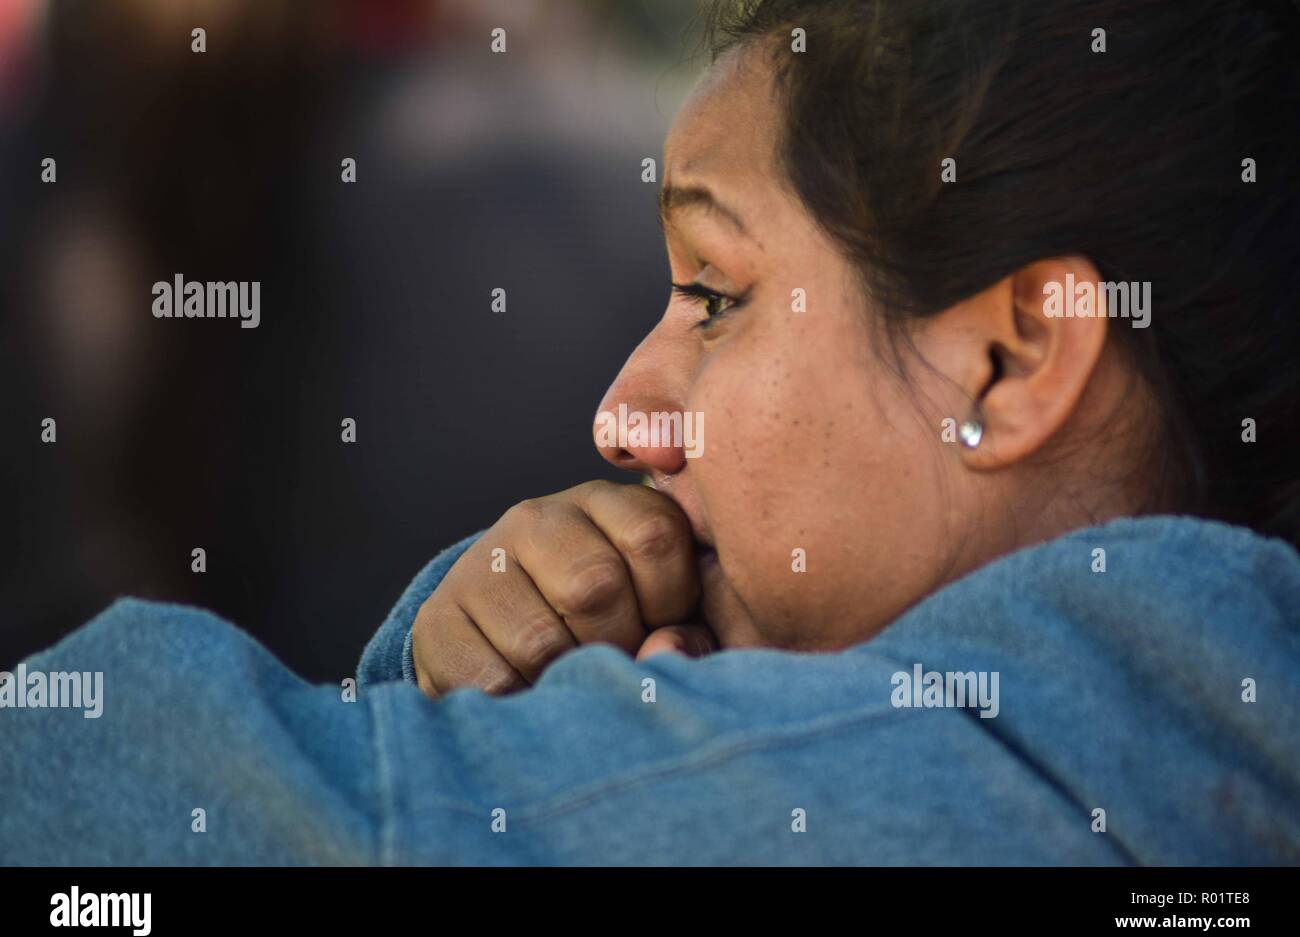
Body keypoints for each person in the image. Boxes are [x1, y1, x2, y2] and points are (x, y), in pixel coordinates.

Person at [2, 0, 1298, 865]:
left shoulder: (976, 775)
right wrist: (449, 702)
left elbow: (121, 809)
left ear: (1011, 361)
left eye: (718, 299)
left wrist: (418, 741)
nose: (622, 417)